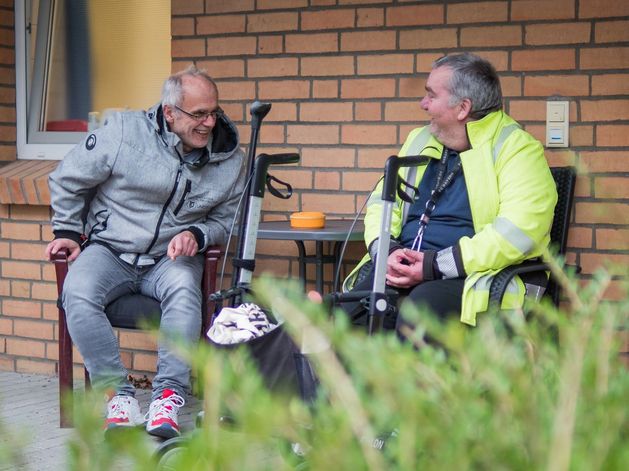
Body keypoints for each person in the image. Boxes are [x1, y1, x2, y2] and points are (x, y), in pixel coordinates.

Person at [45, 66, 245, 438]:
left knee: (186, 293)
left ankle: (167, 396)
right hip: (110, 248)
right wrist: (69, 231)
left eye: (213, 112)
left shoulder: (230, 159)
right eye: (198, 114)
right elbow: (66, 178)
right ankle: (118, 396)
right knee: (77, 292)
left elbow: (227, 219)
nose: (209, 123)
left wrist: (197, 234)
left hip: (170, 259)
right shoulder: (124, 132)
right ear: (170, 112)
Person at [343, 53, 557, 336]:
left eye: (431, 95)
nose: (423, 104)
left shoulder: (517, 149)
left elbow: (519, 232)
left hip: (473, 276)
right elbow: (382, 204)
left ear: (462, 108)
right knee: (346, 313)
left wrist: (434, 266)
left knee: (418, 315)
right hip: (404, 264)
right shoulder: (419, 139)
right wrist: (387, 252)